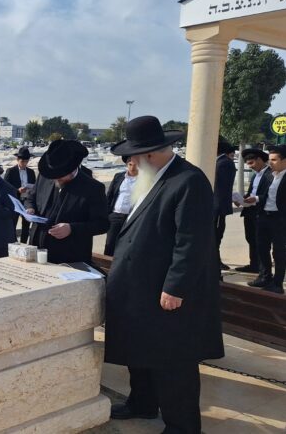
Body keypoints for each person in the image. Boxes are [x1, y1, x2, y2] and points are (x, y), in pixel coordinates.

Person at [104, 115, 223, 433]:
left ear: (150, 154)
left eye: (134, 157)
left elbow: (192, 242)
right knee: (140, 351)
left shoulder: (188, 181)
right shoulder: (154, 176)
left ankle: (182, 426)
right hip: (140, 289)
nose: (131, 163)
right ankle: (142, 403)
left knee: (173, 363)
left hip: (165, 292)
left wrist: (176, 287)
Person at [25, 140, 108, 265]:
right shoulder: (45, 176)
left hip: (69, 257)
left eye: (60, 175)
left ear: (72, 169)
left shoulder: (94, 188)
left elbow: (102, 224)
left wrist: (71, 228)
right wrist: (29, 208)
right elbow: (31, 198)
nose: (56, 179)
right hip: (38, 251)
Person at [249, 145, 286, 293]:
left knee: (278, 252)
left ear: (285, 161)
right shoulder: (269, 175)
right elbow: (267, 195)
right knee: (261, 248)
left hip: (280, 219)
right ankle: (265, 277)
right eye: (269, 159)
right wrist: (256, 198)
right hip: (264, 216)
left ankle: (277, 283)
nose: (270, 163)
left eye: (274, 160)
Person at [236, 149, 272, 275]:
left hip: (262, 212)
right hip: (250, 211)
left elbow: (271, 195)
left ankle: (264, 271)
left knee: (261, 242)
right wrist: (241, 199)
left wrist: (256, 199)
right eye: (248, 164)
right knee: (251, 239)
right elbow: (251, 192)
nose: (250, 166)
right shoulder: (255, 175)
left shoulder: (270, 175)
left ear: (260, 160)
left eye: (252, 163)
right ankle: (254, 265)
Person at [104, 156, 138, 256]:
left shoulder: (144, 179)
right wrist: (107, 214)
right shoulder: (118, 176)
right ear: (127, 164)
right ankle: (107, 263)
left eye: (135, 165)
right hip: (115, 215)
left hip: (131, 217)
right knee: (110, 243)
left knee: (127, 244)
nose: (132, 167)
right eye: (130, 164)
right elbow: (110, 195)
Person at [3, 146, 36, 243]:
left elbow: (34, 187)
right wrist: (17, 190)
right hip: (15, 201)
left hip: (27, 201)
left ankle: (24, 244)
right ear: (17, 160)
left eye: (26, 161)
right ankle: (12, 244)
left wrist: (30, 189)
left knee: (26, 225)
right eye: (22, 161)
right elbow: (5, 187)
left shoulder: (31, 172)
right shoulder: (10, 171)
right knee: (13, 224)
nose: (24, 164)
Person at [214, 141, 236, 271]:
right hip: (216, 207)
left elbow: (221, 188)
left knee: (216, 236)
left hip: (217, 208)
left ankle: (216, 263)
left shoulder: (224, 163)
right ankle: (216, 261)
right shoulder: (221, 162)